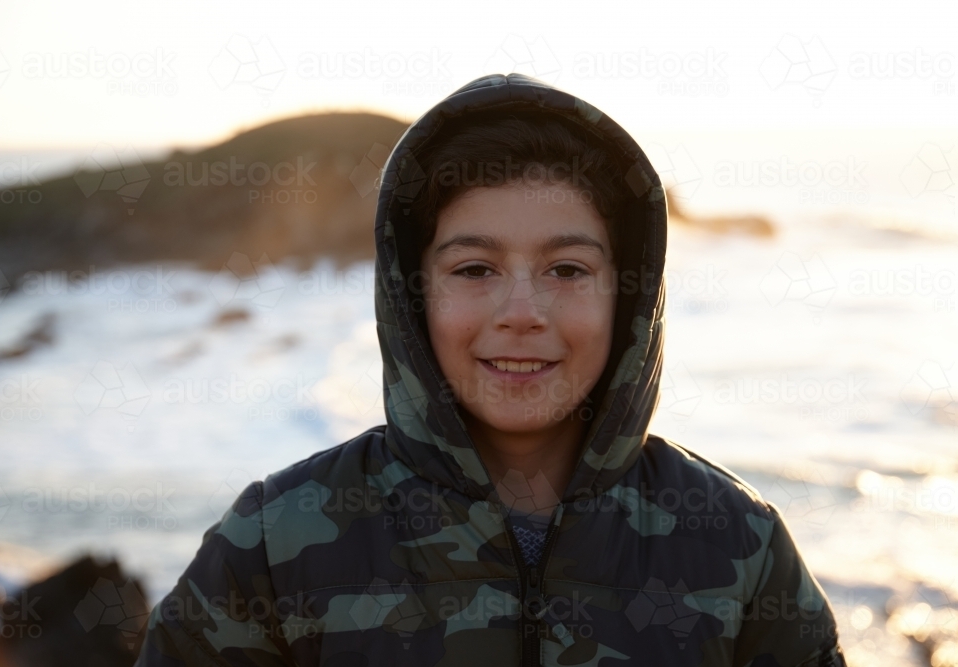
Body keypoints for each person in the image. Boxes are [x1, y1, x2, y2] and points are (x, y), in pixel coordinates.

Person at [135, 74, 846, 666]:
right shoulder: (272, 542)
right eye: (474, 268)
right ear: (414, 293)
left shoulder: (738, 545)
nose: (521, 311)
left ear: (625, 294)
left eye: (567, 269)